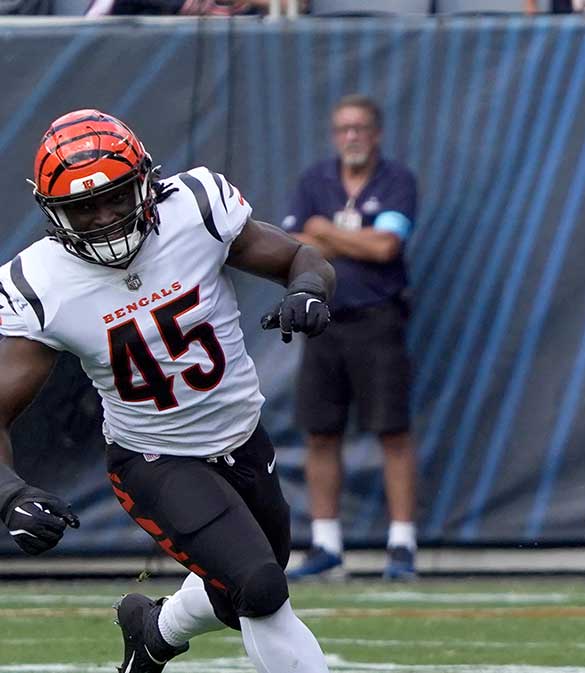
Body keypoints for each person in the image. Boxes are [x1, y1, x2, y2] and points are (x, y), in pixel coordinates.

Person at [0, 109, 335, 673]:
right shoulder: (43, 283)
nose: (104, 219)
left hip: (243, 437)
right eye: (83, 208)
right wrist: (9, 495)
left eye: (115, 197)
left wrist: (307, 289)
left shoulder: (196, 210)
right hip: (155, 459)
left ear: (148, 182)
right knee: (260, 586)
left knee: (242, 586)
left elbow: (302, 257)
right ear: (53, 213)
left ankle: (152, 632)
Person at [281, 94, 419, 581]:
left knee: (393, 431)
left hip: (378, 320)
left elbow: (385, 247)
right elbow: (295, 246)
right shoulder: (314, 181)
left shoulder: (397, 180)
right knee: (321, 432)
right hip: (323, 321)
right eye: (343, 128)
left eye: (360, 128)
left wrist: (327, 234)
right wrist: (344, 238)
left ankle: (401, 545)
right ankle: (326, 544)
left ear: (376, 133)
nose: (352, 136)